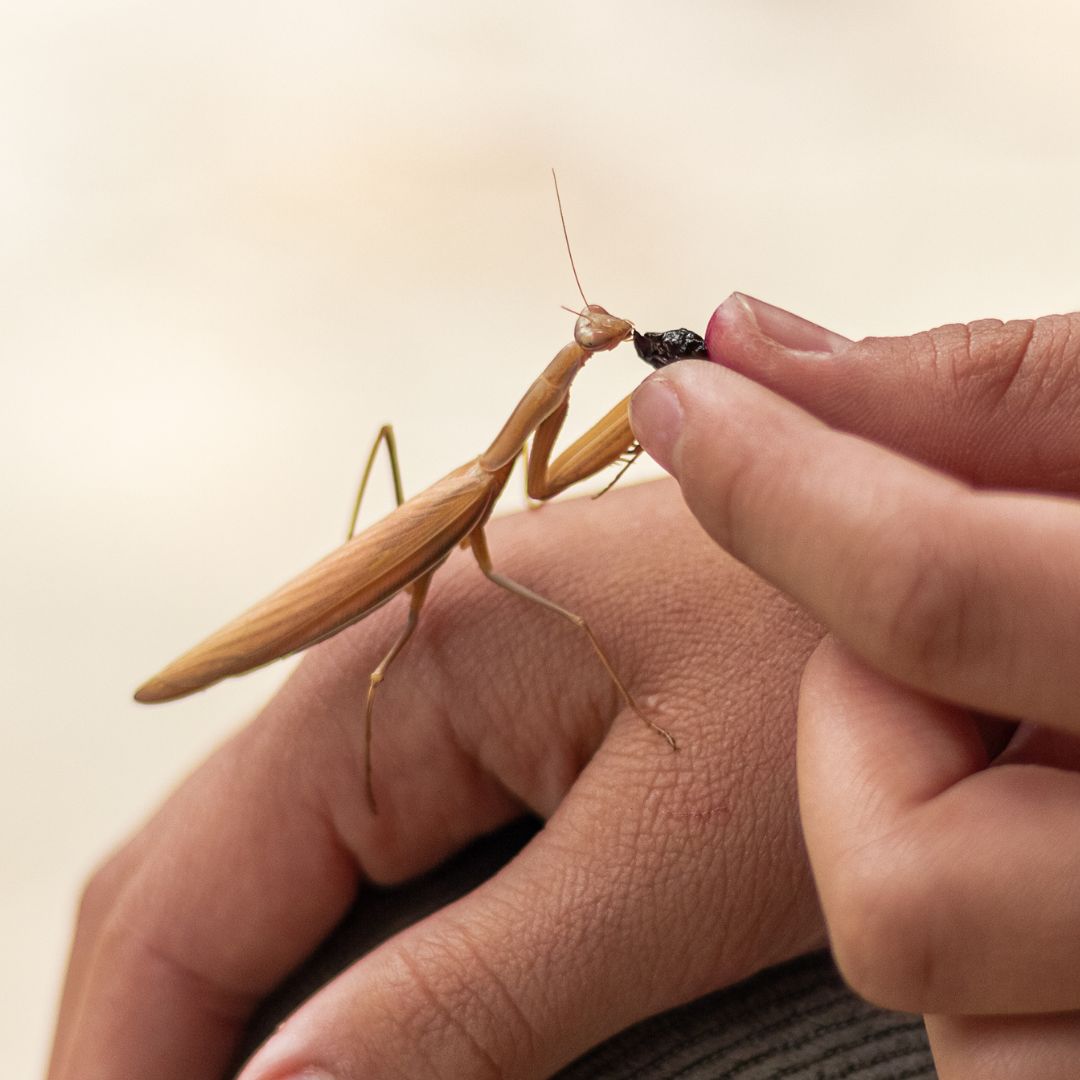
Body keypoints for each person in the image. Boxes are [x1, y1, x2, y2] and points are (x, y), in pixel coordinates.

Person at [48, 294, 1080, 1080]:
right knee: (389, 684)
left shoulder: (499, 474)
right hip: (362, 592)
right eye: (589, 339)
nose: (605, 337)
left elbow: (540, 491)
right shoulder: (477, 490)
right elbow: (541, 491)